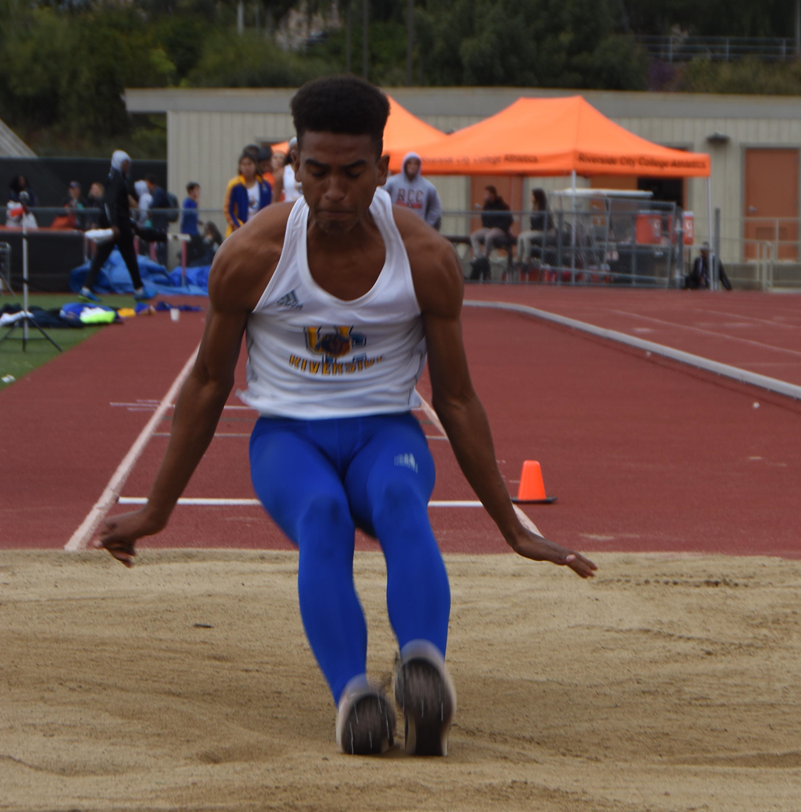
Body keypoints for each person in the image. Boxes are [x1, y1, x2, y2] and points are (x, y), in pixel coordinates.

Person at [95, 75, 596, 759]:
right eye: (317, 172)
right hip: (288, 438)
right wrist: (156, 508)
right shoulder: (251, 256)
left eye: (353, 174)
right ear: (292, 167)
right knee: (323, 516)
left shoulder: (424, 259)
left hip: (386, 432)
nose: (333, 191)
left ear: (384, 171)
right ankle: (355, 696)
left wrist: (511, 523)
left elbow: (455, 398)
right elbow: (210, 383)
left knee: (397, 498)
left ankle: (423, 668)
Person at [79, 150, 151, 302]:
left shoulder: (116, 178)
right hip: (118, 226)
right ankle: (138, 289)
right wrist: (114, 225)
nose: (128, 166)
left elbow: (117, 205)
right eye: (126, 163)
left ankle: (86, 288)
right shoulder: (117, 180)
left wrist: (130, 222)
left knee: (102, 257)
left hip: (120, 223)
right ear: (119, 163)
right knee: (128, 257)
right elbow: (109, 204)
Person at [384, 152, 442, 230]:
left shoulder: (428, 187)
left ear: (419, 166)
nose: (412, 166)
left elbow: (436, 207)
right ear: (405, 165)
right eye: (410, 163)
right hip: (394, 227)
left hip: (417, 229)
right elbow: (381, 200)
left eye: (415, 164)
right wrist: (386, 220)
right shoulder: (391, 183)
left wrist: (427, 225)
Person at [468, 186, 513, 281]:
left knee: (489, 236)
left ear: (492, 194)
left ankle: (485, 257)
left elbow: (509, 220)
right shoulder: (486, 206)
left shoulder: (502, 206)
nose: (485, 196)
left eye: (487, 194)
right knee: (474, 235)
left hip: (500, 229)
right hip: (488, 228)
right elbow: (484, 220)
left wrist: (499, 226)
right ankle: (478, 257)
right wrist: (488, 225)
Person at [224, 149, 272, 236]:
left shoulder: (265, 185)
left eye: (250, 164)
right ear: (240, 166)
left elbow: (269, 208)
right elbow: (227, 210)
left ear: (255, 165)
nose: (247, 167)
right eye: (244, 164)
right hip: (238, 231)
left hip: (259, 230)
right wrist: (238, 226)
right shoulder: (234, 185)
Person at [515, 188, 555, 272]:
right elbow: (533, 224)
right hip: (537, 230)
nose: (530, 197)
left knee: (526, 238)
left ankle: (526, 259)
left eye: (532, 195)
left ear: (537, 196)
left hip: (546, 232)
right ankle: (518, 258)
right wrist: (532, 230)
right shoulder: (534, 207)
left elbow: (546, 225)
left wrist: (534, 229)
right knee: (521, 236)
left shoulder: (544, 208)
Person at [182, 182, 207, 263]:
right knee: (190, 251)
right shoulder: (188, 202)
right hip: (188, 231)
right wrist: (196, 203)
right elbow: (187, 214)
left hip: (194, 230)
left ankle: (193, 263)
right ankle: (187, 266)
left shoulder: (193, 203)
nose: (198, 191)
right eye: (196, 189)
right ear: (191, 191)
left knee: (201, 250)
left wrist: (198, 221)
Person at [274, 137, 303, 204]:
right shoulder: (283, 172)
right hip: (288, 210)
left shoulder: (310, 170)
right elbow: (275, 199)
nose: (297, 152)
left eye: (299, 149)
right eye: (294, 149)